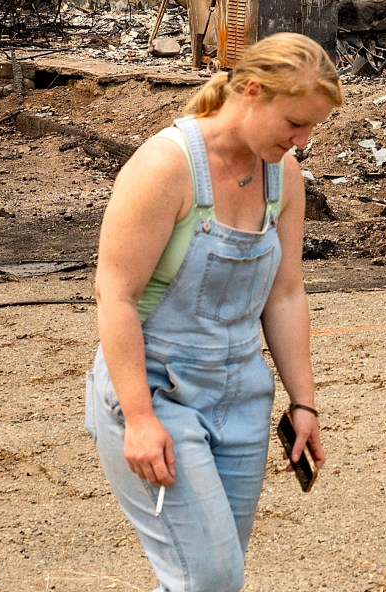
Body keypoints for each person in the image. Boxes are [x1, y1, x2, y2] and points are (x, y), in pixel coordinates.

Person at [86, 32, 338, 591]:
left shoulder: (284, 175)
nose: (302, 140)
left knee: (203, 577)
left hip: (242, 398)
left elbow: (286, 293)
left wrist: (304, 403)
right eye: (295, 123)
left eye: (311, 128)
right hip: (157, 392)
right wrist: (140, 420)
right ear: (251, 91)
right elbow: (115, 296)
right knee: (210, 578)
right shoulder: (165, 166)